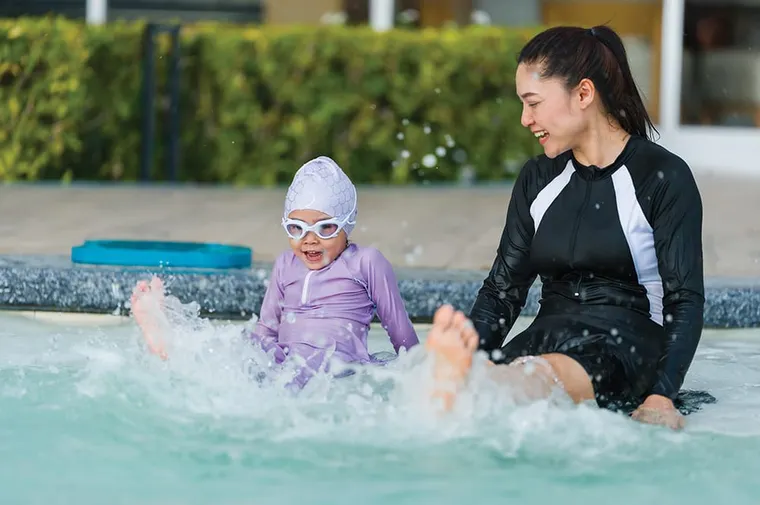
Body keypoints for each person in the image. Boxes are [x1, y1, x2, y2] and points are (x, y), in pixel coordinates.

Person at [425, 25, 704, 431]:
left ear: (584, 94)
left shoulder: (662, 177)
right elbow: (503, 291)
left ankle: (474, 379)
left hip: (627, 344)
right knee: (490, 381)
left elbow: (685, 300)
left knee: (532, 378)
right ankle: (465, 375)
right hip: (548, 335)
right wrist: (476, 349)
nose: (525, 119)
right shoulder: (538, 178)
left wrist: (662, 395)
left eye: (533, 103)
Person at [131, 156, 420, 389]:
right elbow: (266, 329)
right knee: (236, 349)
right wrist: (249, 349)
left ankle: (179, 357)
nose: (310, 239)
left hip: (336, 363)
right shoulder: (285, 264)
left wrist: (422, 370)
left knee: (292, 373)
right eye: (296, 228)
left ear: (348, 224)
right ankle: (172, 343)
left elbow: (399, 329)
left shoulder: (366, 262)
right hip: (285, 359)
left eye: (325, 228)